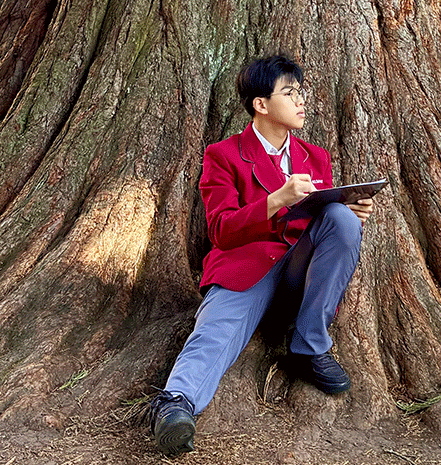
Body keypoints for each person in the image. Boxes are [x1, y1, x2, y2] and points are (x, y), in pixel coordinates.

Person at [149, 53, 376, 456]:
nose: (301, 101)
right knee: (214, 331)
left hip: (298, 270)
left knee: (342, 220)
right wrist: (274, 201)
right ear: (261, 104)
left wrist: (347, 209)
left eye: (300, 91)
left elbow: (322, 221)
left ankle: (309, 347)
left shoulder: (314, 156)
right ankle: (175, 406)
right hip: (246, 266)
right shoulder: (223, 154)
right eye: (290, 93)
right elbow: (220, 229)